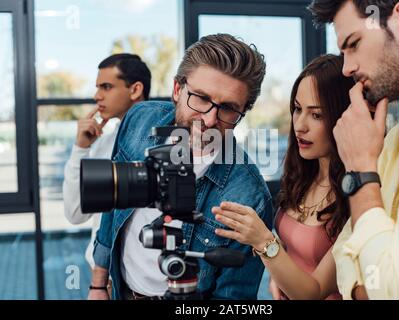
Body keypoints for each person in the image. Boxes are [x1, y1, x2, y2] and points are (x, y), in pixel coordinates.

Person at [88, 34, 273, 300]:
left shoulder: (249, 196)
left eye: (229, 109)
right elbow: (112, 203)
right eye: (200, 98)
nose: (209, 120)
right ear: (177, 90)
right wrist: (98, 283)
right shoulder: (139, 119)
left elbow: (233, 298)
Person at [308, 0, 399, 299]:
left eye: (354, 43)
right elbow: (347, 253)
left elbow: (393, 293)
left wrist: (360, 169)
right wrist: (369, 288)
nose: (347, 68)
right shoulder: (394, 137)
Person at [213, 54, 355, 300]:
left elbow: (314, 292)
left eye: (317, 115)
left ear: (343, 116)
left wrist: (264, 242)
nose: (300, 125)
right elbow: (290, 262)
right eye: (298, 109)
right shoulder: (303, 177)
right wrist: (281, 276)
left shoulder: (358, 192)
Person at [63, 53, 151, 269]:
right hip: (103, 279)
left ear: (135, 89)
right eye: (97, 87)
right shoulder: (104, 144)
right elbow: (75, 213)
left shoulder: (162, 145)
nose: (97, 96)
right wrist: (81, 149)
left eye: (106, 87)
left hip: (142, 283)